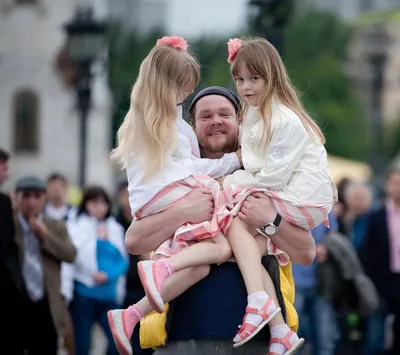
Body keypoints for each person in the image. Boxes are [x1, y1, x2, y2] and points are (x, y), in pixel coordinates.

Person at [131, 87, 315, 355]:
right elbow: (134, 241)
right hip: (180, 337)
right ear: (191, 127)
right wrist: (185, 211)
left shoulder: (269, 176)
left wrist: (269, 219)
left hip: (258, 342)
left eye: (224, 114)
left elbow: (307, 252)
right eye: (205, 116)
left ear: (241, 122)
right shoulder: (172, 180)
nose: (215, 120)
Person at [107, 36, 243, 355]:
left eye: (225, 114)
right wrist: (235, 160)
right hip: (169, 195)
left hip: (235, 329)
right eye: (183, 88)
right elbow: (134, 240)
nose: (183, 94)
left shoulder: (150, 119)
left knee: (198, 265)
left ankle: (131, 315)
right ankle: (160, 272)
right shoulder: (166, 123)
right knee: (220, 245)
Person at [14, 176, 77, 354]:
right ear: (17, 198)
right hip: (18, 300)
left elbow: (71, 254)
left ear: (44, 198)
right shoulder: (11, 224)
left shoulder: (55, 225)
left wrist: (46, 237)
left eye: (36, 196)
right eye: (26, 196)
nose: (31, 202)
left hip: (47, 301)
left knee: (46, 348)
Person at [62, 186, 129, 355]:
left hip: (109, 295)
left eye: (103, 203)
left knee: (117, 343)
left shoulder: (114, 227)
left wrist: (108, 274)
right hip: (84, 294)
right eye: (94, 202)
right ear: (86, 204)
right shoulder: (76, 226)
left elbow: (122, 261)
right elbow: (73, 257)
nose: (99, 207)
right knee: (82, 344)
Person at [360, 162, 400, 355]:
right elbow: (368, 251)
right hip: (381, 281)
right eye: (395, 183)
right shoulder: (376, 216)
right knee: (375, 335)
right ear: (388, 186)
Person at [0, 149, 27, 355]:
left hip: (7, 283)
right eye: (3, 167)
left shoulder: (5, 202)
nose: (6, 173)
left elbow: (10, 243)